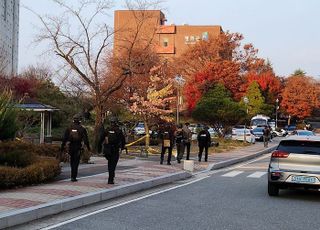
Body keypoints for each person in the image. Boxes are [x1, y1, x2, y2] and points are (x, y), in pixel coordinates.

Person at [61, 115, 90, 182]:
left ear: (73, 120)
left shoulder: (69, 128)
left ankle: (72, 175)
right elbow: (86, 140)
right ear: (79, 121)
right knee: (76, 162)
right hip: (78, 147)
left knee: (72, 161)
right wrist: (88, 148)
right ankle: (74, 177)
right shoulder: (82, 129)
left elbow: (64, 138)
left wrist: (62, 147)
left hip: (71, 146)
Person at [99, 117, 126, 184]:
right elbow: (123, 140)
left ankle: (111, 177)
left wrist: (99, 148)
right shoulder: (118, 131)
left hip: (107, 149)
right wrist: (122, 148)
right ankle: (111, 178)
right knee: (113, 164)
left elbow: (101, 138)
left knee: (109, 163)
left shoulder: (107, 130)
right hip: (115, 149)